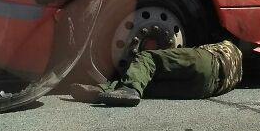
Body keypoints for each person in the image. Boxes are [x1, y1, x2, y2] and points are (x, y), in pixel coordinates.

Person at [69, 30, 243, 107]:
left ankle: (126, 89)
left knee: (147, 58)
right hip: (206, 89)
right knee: (145, 85)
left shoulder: (229, 45)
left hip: (209, 62)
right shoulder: (238, 75)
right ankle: (101, 92)